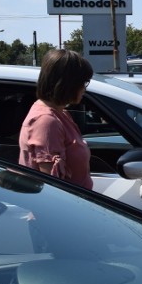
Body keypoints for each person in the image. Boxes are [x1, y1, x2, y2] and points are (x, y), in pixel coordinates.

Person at [19, 49, 94, 189]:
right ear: (67, 84)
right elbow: (53, 186)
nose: (84, 88)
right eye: (83, 82)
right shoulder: (46, 121)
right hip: (67, 208)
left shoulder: (60, 114)